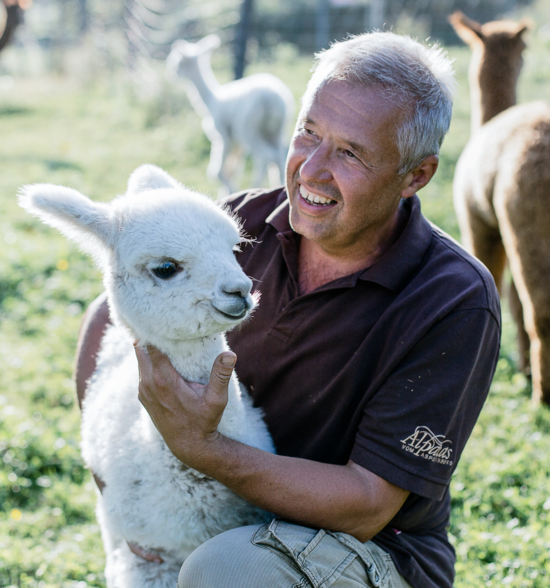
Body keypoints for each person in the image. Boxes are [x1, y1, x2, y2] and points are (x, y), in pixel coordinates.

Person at [76, 32, 501, 588]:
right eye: (309, 132)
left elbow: (368, 504)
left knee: (228, 568)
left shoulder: (451, 300)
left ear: (416, 175)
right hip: (216, 512)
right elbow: (108, 313)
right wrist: (123, 500)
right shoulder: (232, 225)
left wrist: (203, 448)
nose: (312, 170)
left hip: (367, 549)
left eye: (350, 152)